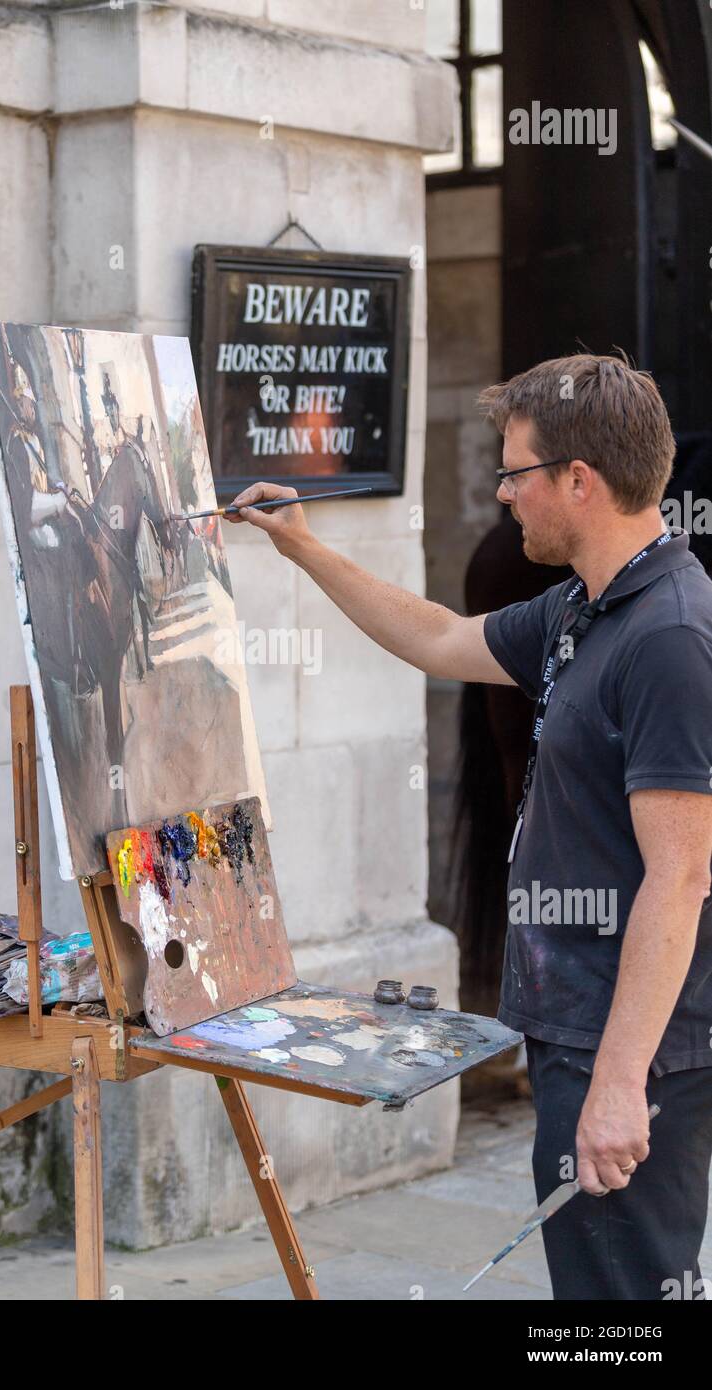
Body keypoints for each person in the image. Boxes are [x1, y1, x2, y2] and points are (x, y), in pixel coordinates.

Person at [227, 353, 712, 1301]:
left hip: (631, 1045)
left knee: (624, 1300)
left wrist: (616, 1085)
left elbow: (681, 876)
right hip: (580, 1028)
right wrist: (303, 547)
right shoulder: (586, 605)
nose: (502, 493)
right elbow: (441, 637)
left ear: (578, 480)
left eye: (515, 472)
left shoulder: (668, 638)